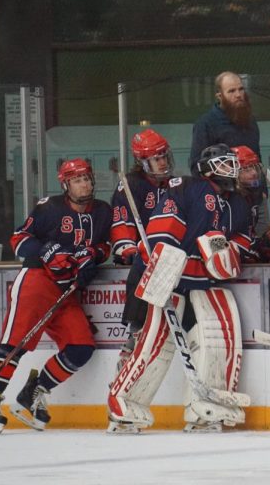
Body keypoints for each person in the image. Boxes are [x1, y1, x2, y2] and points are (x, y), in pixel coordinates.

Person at [107, 144, 254, 434]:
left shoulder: (237, 201)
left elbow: (241, 240)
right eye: (226, 164)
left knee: (215, 338)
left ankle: (204, 407)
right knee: (156, 341)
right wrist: (161, 274)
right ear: (208, 167)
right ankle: (124, 404)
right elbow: (162, 234)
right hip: (170, 276)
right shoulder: (188, 187)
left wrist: (227, 254)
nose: (233, 169)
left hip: (204, 280)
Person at [0, 159, 112, 434]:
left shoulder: (103, 212)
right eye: (77, 179)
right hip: (36, 284)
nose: (84, 183)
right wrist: (47, 250)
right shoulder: (50, 208)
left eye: (86, 178)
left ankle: (34, 392)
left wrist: (92, 257)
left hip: (67, 291)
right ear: (66, 184)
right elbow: (20, 239)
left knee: (81, 348)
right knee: (14, 345)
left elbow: (105, 245)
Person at [108, 129, 174, 380]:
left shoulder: (173, 184)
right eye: (157, 159)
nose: (163, 162)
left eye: (164, 156)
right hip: (142, 255)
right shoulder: (131, 185)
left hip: (167, 254)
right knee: (142, 264)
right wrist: (127, 246)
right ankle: (133, 335)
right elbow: (121, 220)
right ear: (143, 162)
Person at [189, 71, 260, 171]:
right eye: (231, 91)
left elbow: (257, 162)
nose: (238, 95)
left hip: (252, 183)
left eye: (241, 89)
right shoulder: (205, 124)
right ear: (219, 96)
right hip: (223, 185)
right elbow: (197, 167)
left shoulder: (250, 121)